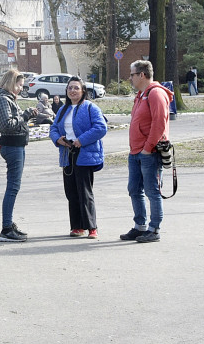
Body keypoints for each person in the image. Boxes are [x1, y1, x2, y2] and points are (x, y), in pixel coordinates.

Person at [121, 59, 172, 244]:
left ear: (142, 75)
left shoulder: (156, 94)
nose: (130, 78)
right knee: (134, 189)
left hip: (148, 153)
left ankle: (154, 228)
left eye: (132, 75)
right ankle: (140, 226)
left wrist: (148, 148)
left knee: (152, 191)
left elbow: (159, 124)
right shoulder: (141, 95)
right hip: (136, 152)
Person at [49, 77, 107, 238]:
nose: (72, 91)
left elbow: (101, 128)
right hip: (67, 153)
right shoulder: (63, 109)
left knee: (84, 191)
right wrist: (57, 139)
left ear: (83, 91)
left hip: (85, 154)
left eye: (76, 88)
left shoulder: (90, 107)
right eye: (70, 88)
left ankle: (91, 227)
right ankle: (76, 227)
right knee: (71, 192)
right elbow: (53, 128)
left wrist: (82, 140)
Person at [0, 70, 34, 242]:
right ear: (10, 83)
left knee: (13, 187)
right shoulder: (2, 99)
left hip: (16, 145)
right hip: (12, 145)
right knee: (12, 187)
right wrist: (26, 115)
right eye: (19, 85)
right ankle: (6, 228)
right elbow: (8, 125)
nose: (21, 89)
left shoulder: (7, 98)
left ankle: (9, 225)